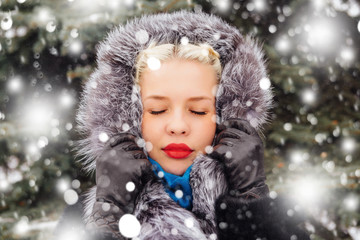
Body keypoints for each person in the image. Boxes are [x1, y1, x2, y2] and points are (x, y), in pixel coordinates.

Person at [55, 10, 310, 240]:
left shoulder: (274, 218)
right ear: (131, 117)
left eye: (198, 111)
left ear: (224, 117)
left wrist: (251, 203)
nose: (178, 126)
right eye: (157, 110)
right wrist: (108, 220)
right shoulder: (84, 216)